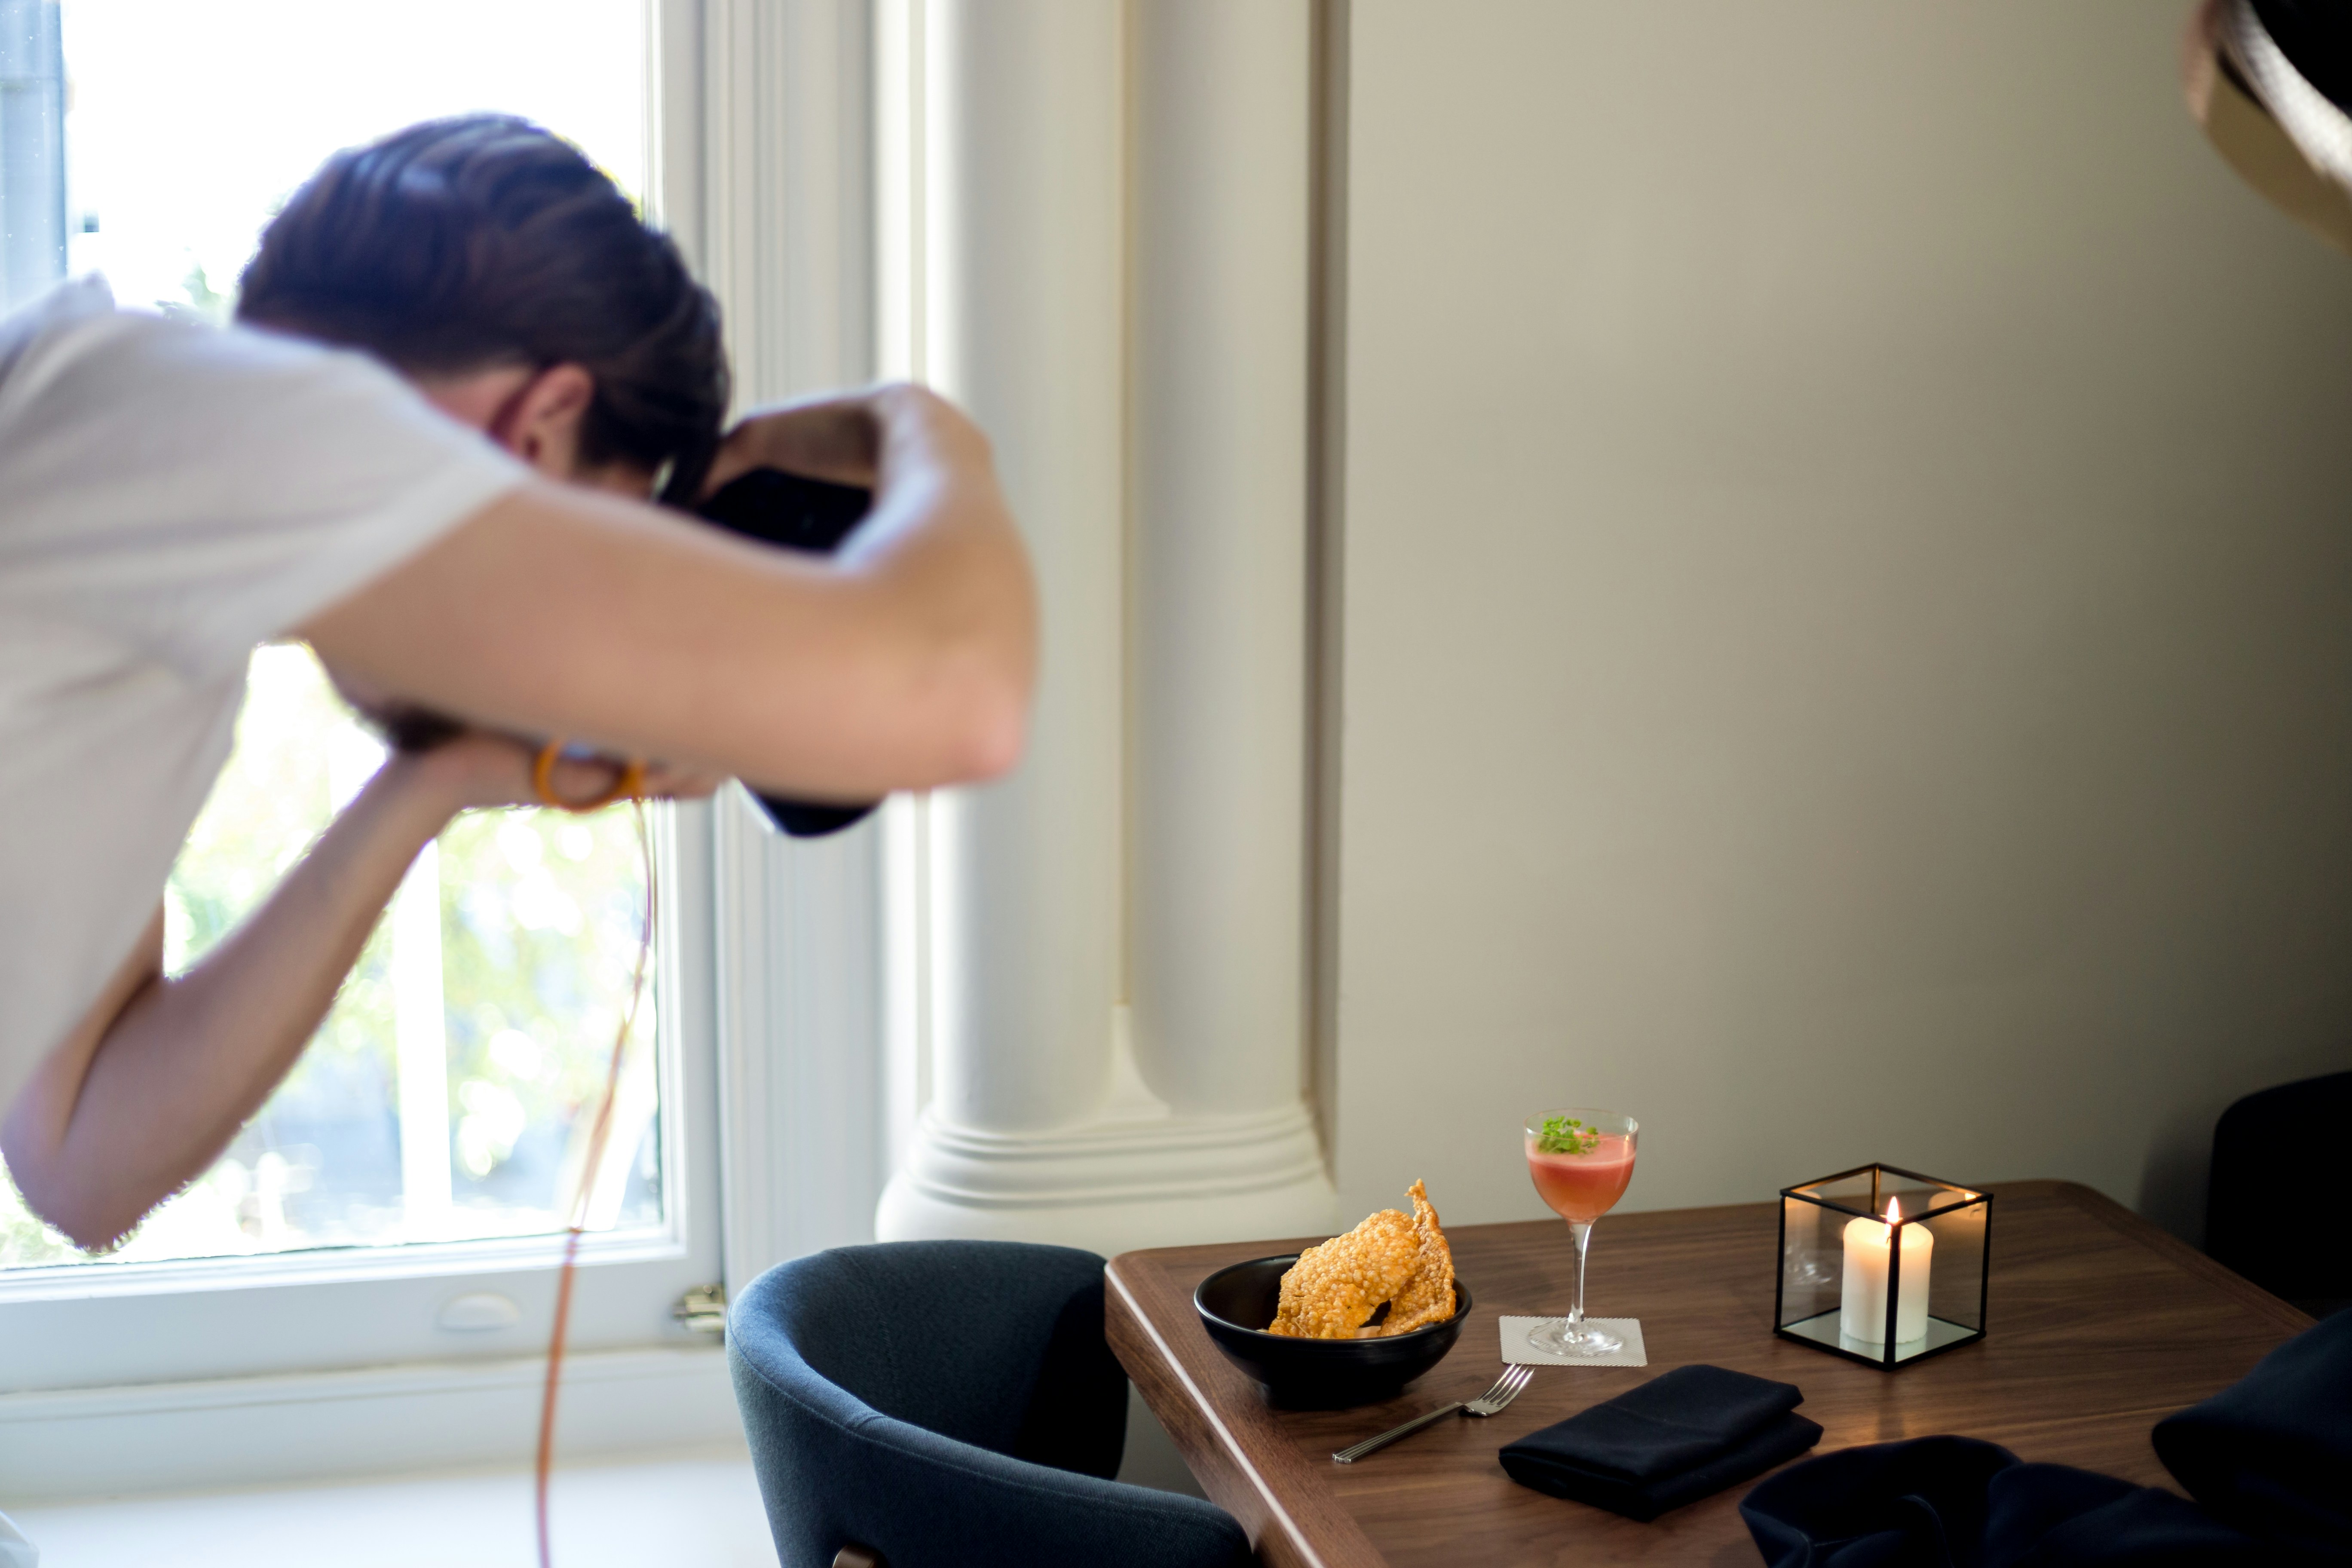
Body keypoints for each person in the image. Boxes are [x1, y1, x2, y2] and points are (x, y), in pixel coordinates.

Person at [0, 115, 1035, 1251]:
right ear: (539, 430)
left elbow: (82, 1158)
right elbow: (959, 702)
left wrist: (433, 782)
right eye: (595, 537)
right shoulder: (221, 425)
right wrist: (921, 430)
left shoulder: (149, 579)